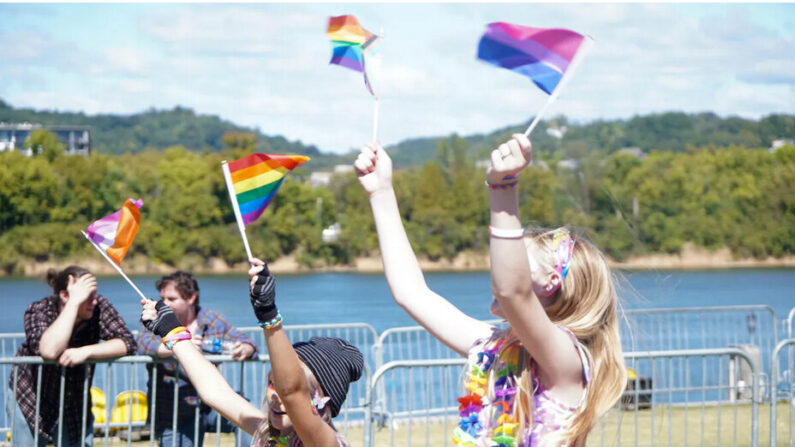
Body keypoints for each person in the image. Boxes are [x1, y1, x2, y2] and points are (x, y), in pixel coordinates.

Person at [353, 136, 627, 446]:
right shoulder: (495, 349)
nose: (499, 266)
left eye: (517, 262)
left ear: (552, 282)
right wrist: (381, 192)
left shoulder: (566, 361)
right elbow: (410, 292)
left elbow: (511, 290)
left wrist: (503, 185)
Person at [139, 260, 363, 447]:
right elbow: (216, 393)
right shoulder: (268, 433)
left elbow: (291, 392)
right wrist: (172, 332)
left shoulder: (327, 443)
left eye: (285, 389)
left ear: (324, 402)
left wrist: (268, 315)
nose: (278, 396)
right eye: (272, 384)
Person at [5, 266, 137, 447]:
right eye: (87, 297)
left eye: (94, 295)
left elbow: (127, 343)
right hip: (31, 397)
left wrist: (86, 351)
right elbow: (49, 351)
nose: (94, 302)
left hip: (74, 401)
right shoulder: (39, 310)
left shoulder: (98, 307)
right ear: (64, 296)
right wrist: (74, 304)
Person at [136, 270, 258, 447]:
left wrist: (247, 348)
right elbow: (145, 345)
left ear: (191, 298)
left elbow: (247, 342)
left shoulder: (212, 319)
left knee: (252, 413)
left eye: (171, 299)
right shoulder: (153, 318)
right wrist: (180, 344)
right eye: (162, 298)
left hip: (212, 405)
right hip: (175, 411)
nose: (164, 303)